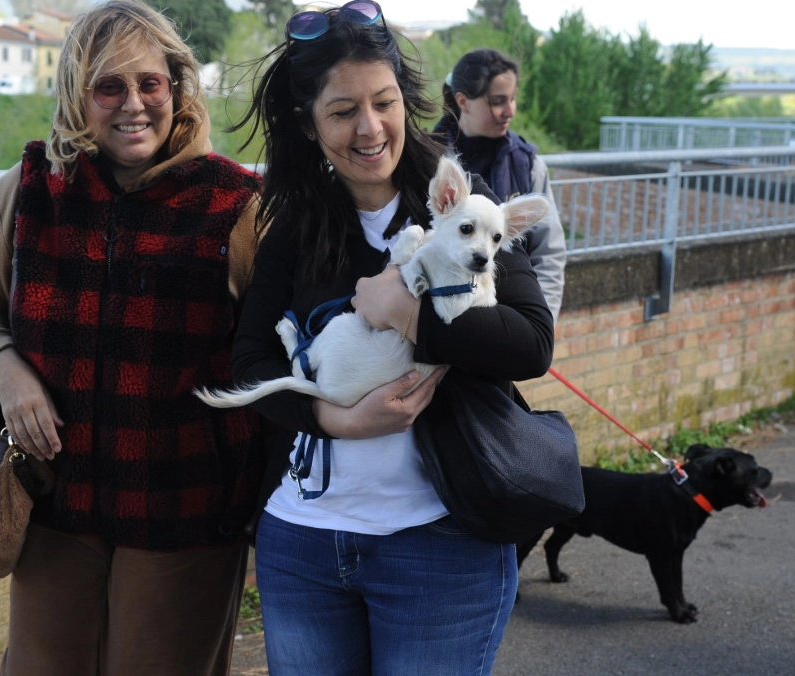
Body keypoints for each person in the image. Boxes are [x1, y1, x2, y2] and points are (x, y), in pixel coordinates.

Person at [228, 2, 554, 673]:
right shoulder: (294, 224)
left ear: (406, 102)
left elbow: (530, 344)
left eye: (384, 102)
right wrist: (332, 419)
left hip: (442, 543)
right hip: (305, 545)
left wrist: (407, 315)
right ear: (307, 122)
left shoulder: (464, 209)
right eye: (343, 111)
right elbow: (251, 360)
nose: (370, 128)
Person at [0, 2, 265, 674]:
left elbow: (272, 350)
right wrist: (10, 373)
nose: (134, 104)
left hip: (185, 506)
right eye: (109, 87)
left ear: (177, 89)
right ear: (76, 95)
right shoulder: (31, 190)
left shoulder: (234, 205)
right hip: (53, 499)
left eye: (150, 83)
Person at [434, 48, 568, 318]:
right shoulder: (426, 161)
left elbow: (549, 254)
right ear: (463, 101)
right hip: (438, 320)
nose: (510, 111)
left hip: (510, 325)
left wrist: (541, 325)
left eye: (513, 99)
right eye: (498, 101)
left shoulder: (528, 165)